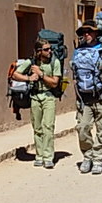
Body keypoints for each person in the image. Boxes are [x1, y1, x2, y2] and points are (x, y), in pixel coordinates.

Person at [71, 20, 102, 175]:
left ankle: (98, 159)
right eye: (84, 32)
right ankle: (88, 156)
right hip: (84, 98)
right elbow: (75, 75)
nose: (87, 35)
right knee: (82, 128)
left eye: (90, 32)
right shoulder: (78, 52)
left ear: (96, 33)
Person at [11, 38, 62, 168]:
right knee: (37, 127)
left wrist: (41, 74)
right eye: (46, 49)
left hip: (48, 96)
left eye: (50, 48)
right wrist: (28, 78)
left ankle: (48, 156)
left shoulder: (54, 62)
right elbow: (15, 75)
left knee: (48, 127)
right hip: (34, 97)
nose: (49, 51)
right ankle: (39, 155)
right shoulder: (31, 62)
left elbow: (55, 82)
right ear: (39, 51)